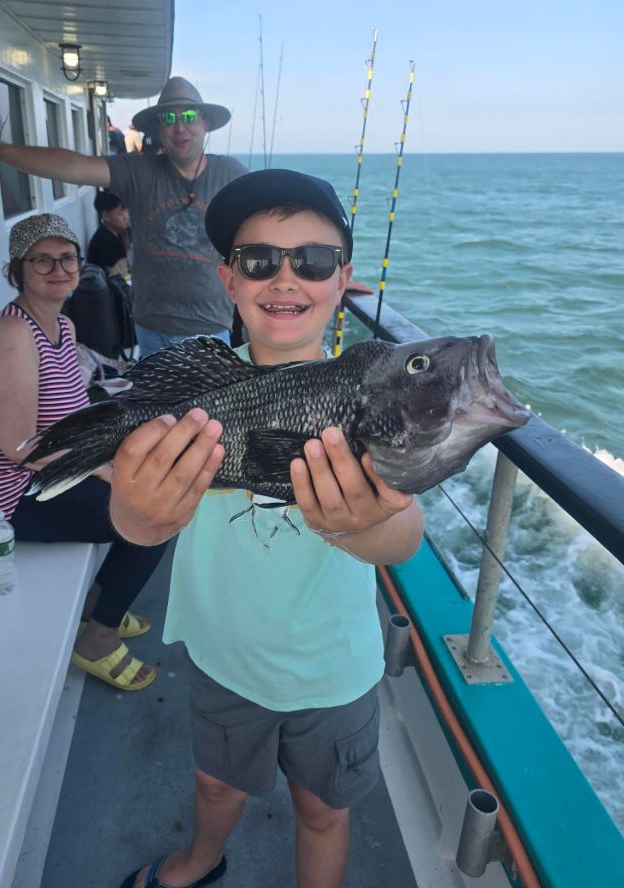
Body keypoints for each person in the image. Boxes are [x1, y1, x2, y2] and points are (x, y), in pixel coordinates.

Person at [107, 169, 425, 888]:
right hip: (226, 656)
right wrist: (138, 513)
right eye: (258, 261)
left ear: (343, 280)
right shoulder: (193, 398)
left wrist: (362, 523)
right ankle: (200, 857)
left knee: (323, 810)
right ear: (228, 280)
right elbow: (136, 522)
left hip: (333, 669)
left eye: (312, 261)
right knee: (215, 783)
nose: (285, 278)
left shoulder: (371, 400)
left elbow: (403, 536)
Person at [0, 213, 167, 691]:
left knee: (152, 476)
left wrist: (115, 451)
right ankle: (98, 638)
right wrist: (104, 469)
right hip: (12, 496)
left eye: (68, 258)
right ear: (18, 270)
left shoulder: (63, 327)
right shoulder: (12, 334)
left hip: (48, 474)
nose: (59, 269)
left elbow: (68, 420)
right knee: (154, 515)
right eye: (42, 261)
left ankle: (99, 602)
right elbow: (19, 448)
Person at [0, 77, 246, 359]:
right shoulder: (139, 171)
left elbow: (263, 227)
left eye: (188, 116)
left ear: (204, 123)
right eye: (168, 118)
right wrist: (1, 150)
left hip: (211, 328)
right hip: (152, 328)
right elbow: (75, 166)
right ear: (158, 128)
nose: (180, 127)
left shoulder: (230, 174)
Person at [89, 189, 133, 276]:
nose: (126, 217)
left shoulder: (117, 233)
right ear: (106, 216)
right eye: (120, 214)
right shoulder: (103, 242)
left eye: (126, 211)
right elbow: (120, 276)